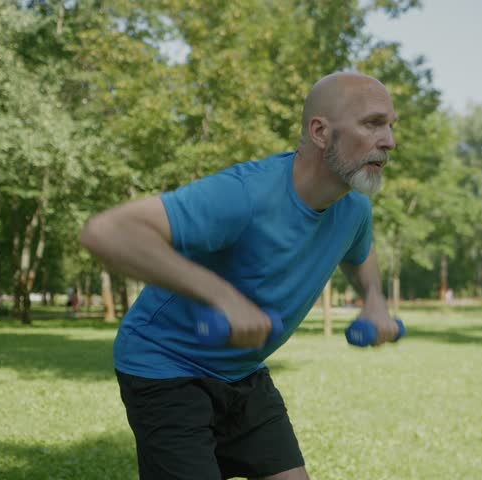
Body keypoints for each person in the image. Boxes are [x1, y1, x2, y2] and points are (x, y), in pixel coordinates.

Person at [80, 71, 400, 480]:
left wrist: (374, 299)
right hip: (165, 364)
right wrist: (223, 296)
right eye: (373, 123)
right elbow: (107, 232)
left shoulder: (353, 208)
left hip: (242, 373)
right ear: (320, 132)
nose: (389, 141)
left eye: (391, 126)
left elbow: (360, 253)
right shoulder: (244, 194)